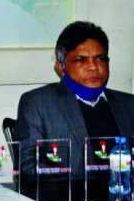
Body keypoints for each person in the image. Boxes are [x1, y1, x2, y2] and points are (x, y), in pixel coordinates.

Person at [15, 21, 134, 181]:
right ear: (60, 67)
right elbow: (27, 168)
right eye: (81, 60)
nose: (93, 67)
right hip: (70, 200)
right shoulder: (38, 103)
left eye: (100, 59)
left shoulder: (128, 104)